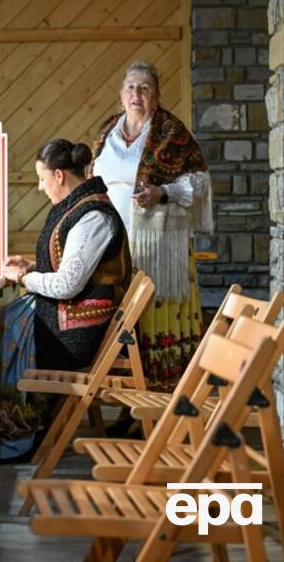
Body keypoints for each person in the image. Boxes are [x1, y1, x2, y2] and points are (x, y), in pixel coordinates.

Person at [0, 139, 131, 461]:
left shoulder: (93, 217)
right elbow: (72, 269)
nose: (40, 187)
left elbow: (68, 284)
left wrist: (22, 278)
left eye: (42, 179)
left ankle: (17, 434)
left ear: (59, 175)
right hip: (68, 317)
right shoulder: (78, 206)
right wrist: (32, 267)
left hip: (76, 333)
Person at [91, 60, 213, 393]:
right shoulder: (107, 131)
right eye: (131, 87)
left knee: (153, 318)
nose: (137, 93)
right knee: (125, 320)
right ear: (121, 95)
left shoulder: (171, 133)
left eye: (145, 88)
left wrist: (163, 192)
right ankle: (128, 398)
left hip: (160, 248)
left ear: (156, 97)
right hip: (115, 245)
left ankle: (164, 395)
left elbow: (200, 182)